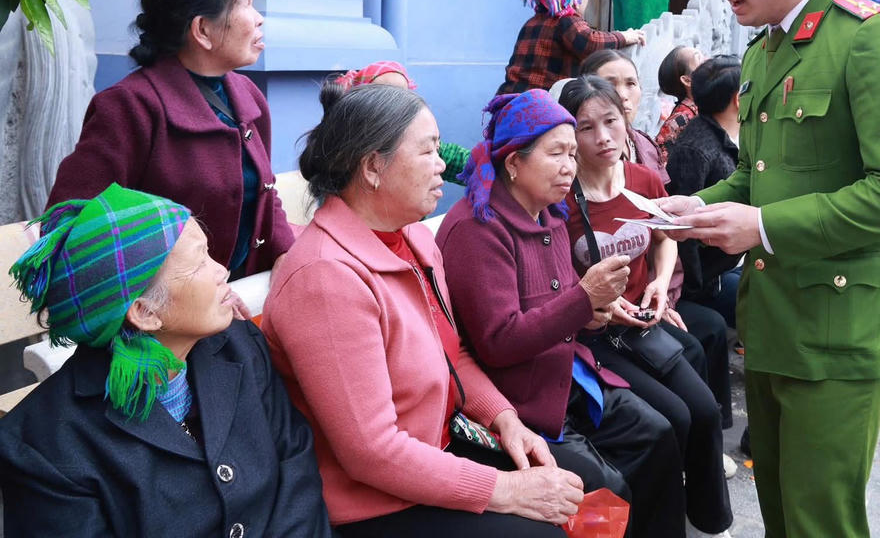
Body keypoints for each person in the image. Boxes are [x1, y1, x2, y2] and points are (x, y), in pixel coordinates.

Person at [657, 0, 880, 538]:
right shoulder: (763, 55)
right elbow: (760, 177)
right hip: (777, 320)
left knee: (821, 519)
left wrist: (760, 225)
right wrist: (695, 208)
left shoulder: (874, 37)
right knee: (783, 510)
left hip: (844, 327)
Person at [261, 85, 583, 536]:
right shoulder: (324, 278)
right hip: (372, 503)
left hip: (439, 447)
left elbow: (452, 354)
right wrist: (508, 490)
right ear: (374, 167)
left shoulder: (414, 241)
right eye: (429, 151)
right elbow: (372, 452)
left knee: (585, 487)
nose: (444, 165)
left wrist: (507, 420)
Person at [0, 184, 330, 536]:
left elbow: (295, 470)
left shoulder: (240, 345)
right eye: (199, 263)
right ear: (144, 313)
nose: (221, 270)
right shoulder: (43, 447)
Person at [436, 89, 686, 538]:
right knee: (609, 487)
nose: (571, 165)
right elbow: (498, 342)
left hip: (568, 376)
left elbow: (566, 300)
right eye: (557, 153)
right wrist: (583, 300)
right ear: (513, 163)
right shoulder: (478, 229)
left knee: (658, 434)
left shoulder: (548, 213)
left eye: (572, 152)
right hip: (520, 401)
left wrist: (600, 308)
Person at [47, 0, 292, 281]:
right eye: (245, 4)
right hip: (166, 319)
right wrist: (181, 287)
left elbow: (264, 193)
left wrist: (289, 255)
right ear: (202, 29)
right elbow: (73, 222)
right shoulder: (128, 107)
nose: (258, 18)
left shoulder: (247, 95)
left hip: (243, 296)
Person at [560, 75, 734, 538]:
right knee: (673, 418)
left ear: (625, 119)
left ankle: (709, 519)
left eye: (610, 121)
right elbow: (556, 279)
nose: (602, 137)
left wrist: (659, 281)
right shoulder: (561, 199)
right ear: (567, 134)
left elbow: (664, 237)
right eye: (585, 127)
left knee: (706, 410)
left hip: (641, 322)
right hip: (594, 336)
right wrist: (597, 298)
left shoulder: (644, 179)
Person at [665, 55, 743, 328]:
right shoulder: (695, 150)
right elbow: (680, 232)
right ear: (738, 99)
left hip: (737, 258)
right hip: (713, 277)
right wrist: (698, 287)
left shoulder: (743, 132)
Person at [498, 0, 645, 95]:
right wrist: (624, 37)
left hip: (512, 96)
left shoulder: (530, 23)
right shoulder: (566, 20)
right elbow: (591, 42)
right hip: (543, 103)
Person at [328, 61, 470, 183]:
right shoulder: (344, 155)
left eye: (405, 97)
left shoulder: (422, 145)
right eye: (387, 99)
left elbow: (460, 161)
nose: (400, 108)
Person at [580, 48, 669, 187]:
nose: (622, 95)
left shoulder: (646, 144)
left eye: (631, 84)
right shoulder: (577, 153)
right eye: (609, 85)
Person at [655, 45, 705, 164]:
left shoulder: (706, 108)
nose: (709, 61)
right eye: (699, 60)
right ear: (687, 80)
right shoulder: (678, 121)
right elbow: (661, 167)